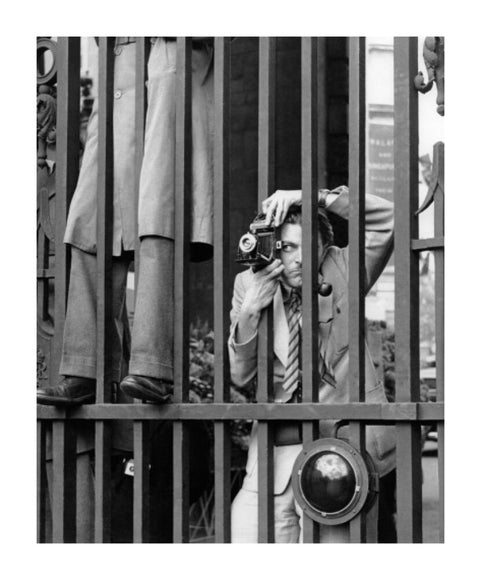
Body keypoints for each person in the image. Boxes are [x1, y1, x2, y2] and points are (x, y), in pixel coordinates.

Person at [37, 37, 214, 406]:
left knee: (158, 212)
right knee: (90, 219)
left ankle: (152, 367)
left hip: (169, 58)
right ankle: (84, 369)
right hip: (120, 71)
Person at [228, 186, 397, 543]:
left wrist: (310, 195)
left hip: (342, 450)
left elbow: (389, 221)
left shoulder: (343, 268)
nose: (298, 259)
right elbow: (240, 376)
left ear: (323, 249)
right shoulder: (249, 282)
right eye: (287, 247)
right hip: (274, 453)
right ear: (272, 247)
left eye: (308, 247)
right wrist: (250, 312)